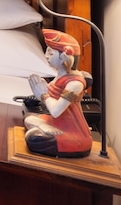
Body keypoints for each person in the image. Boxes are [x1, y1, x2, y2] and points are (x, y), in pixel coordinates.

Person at [24, 29, 93, 158]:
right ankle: (46, 128)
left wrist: (43, 95)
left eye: (50, 53)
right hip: (57, 122)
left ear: (65, 56)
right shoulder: (61, 75)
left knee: (33, 138)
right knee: (29, 117)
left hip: (73, 132)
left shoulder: (75, 84)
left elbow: (56, 111)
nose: (46, 56)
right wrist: (41, 90)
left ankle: (48, 131)